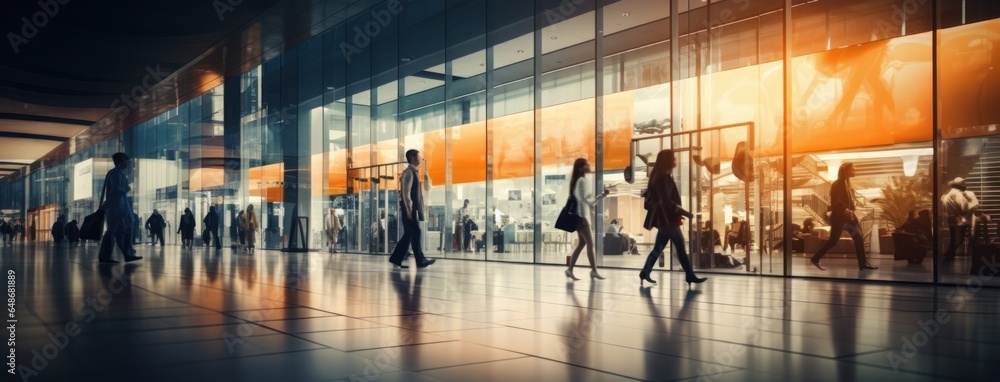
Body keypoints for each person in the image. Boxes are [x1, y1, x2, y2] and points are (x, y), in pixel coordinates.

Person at [639, 149, 706, 286]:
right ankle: (690, 275)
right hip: (668, 220)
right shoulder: (664, 177)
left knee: (658, 248)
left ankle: (645, 272)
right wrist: (686, 213)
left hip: (662, 220)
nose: (675, 161)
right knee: (681, 248)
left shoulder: (657, 177)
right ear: (668, 160)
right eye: (673, 158)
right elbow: (667, 201)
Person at [810, 162, 877, 271]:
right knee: (835, 241)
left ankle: (863, 263)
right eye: (852, 169)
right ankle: (815, 258)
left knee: (858, 238)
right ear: (845, 171)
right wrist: (847, 212)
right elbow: (837, 202)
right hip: (841, 219)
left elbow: (848, 202)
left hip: (847, 218)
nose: (854, 171)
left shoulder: (847, 184)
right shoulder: (837, 184)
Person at [388, 150, 435, 269]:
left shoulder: (414, 172)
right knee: (415, 232)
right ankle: (419, 260)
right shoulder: (409, 172)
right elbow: (405, 194)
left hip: (412, 209)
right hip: (410, 210)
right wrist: (409, 210)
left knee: (410, 233)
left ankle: (396, 259)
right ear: (413, 157)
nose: (421, 158)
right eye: (419, 156)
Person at [564, 158, 609, 280]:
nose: (589, 165)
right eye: (586, 164)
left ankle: (569, 269)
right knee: (590, 243)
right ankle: (594, 270)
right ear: (580, 168)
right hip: (581, 218)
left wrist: (602, 195)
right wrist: (602, 195)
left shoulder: (578, 180)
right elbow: (585, 201)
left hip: (579, 217)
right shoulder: (582, 180)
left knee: (582, 244)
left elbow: (585, 201)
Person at [99, 152, 142, 263]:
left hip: (119, 207)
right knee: (118, 231)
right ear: (120, 162)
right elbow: (117, 191)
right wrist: (126, 189)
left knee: (119, 231)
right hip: (117, 208)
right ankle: (121, 254)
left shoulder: (115, 173)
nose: (127, 163)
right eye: (125, 161)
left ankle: (126, 253)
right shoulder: (115, 174)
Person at [942, 177, 979, 261]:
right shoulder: (958, 194)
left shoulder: (947, 193)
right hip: (959, 221)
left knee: (954, 240)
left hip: (952, 220)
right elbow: (964, 207)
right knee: (958, 240)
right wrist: (974, 204)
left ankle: (949, 256)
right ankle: (948, 256)